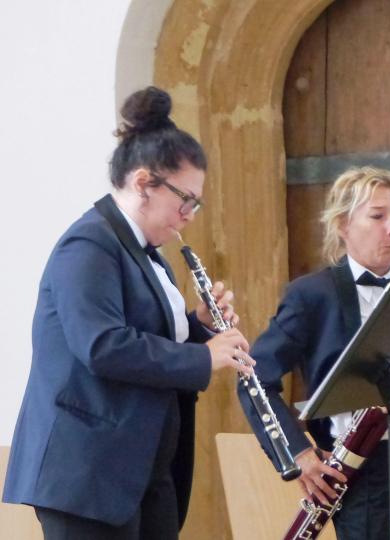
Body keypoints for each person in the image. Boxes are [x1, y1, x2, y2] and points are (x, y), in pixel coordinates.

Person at [2, 86, 255, 539]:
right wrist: (204, 357)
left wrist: (199, 328)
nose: (190, 214)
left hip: (138, 469)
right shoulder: (89, 244)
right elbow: (102, 346)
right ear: (143, 183)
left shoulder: (146, 253)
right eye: (186, 199)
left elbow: (147, 336)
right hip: (88, 474)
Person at [240, 166, 390, 539]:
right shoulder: (311, 295)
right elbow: (254, 381)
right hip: (361, 471)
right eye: (377, 216)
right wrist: (299, 455)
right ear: (343, 225)